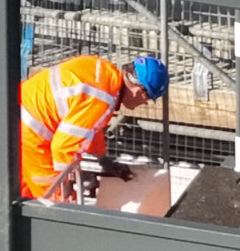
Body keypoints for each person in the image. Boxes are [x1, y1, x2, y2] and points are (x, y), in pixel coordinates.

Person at [17, 50, 164, 201]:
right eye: (147, 100)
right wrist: (67, 184)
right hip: (32, 134)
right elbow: (63, 148)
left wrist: (102, 158)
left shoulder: (105, 75)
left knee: (21, 191)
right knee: (55, 203)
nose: (143, 104)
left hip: (17, 112)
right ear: (140, 91)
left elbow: (90, 128)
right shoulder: (103, 98)